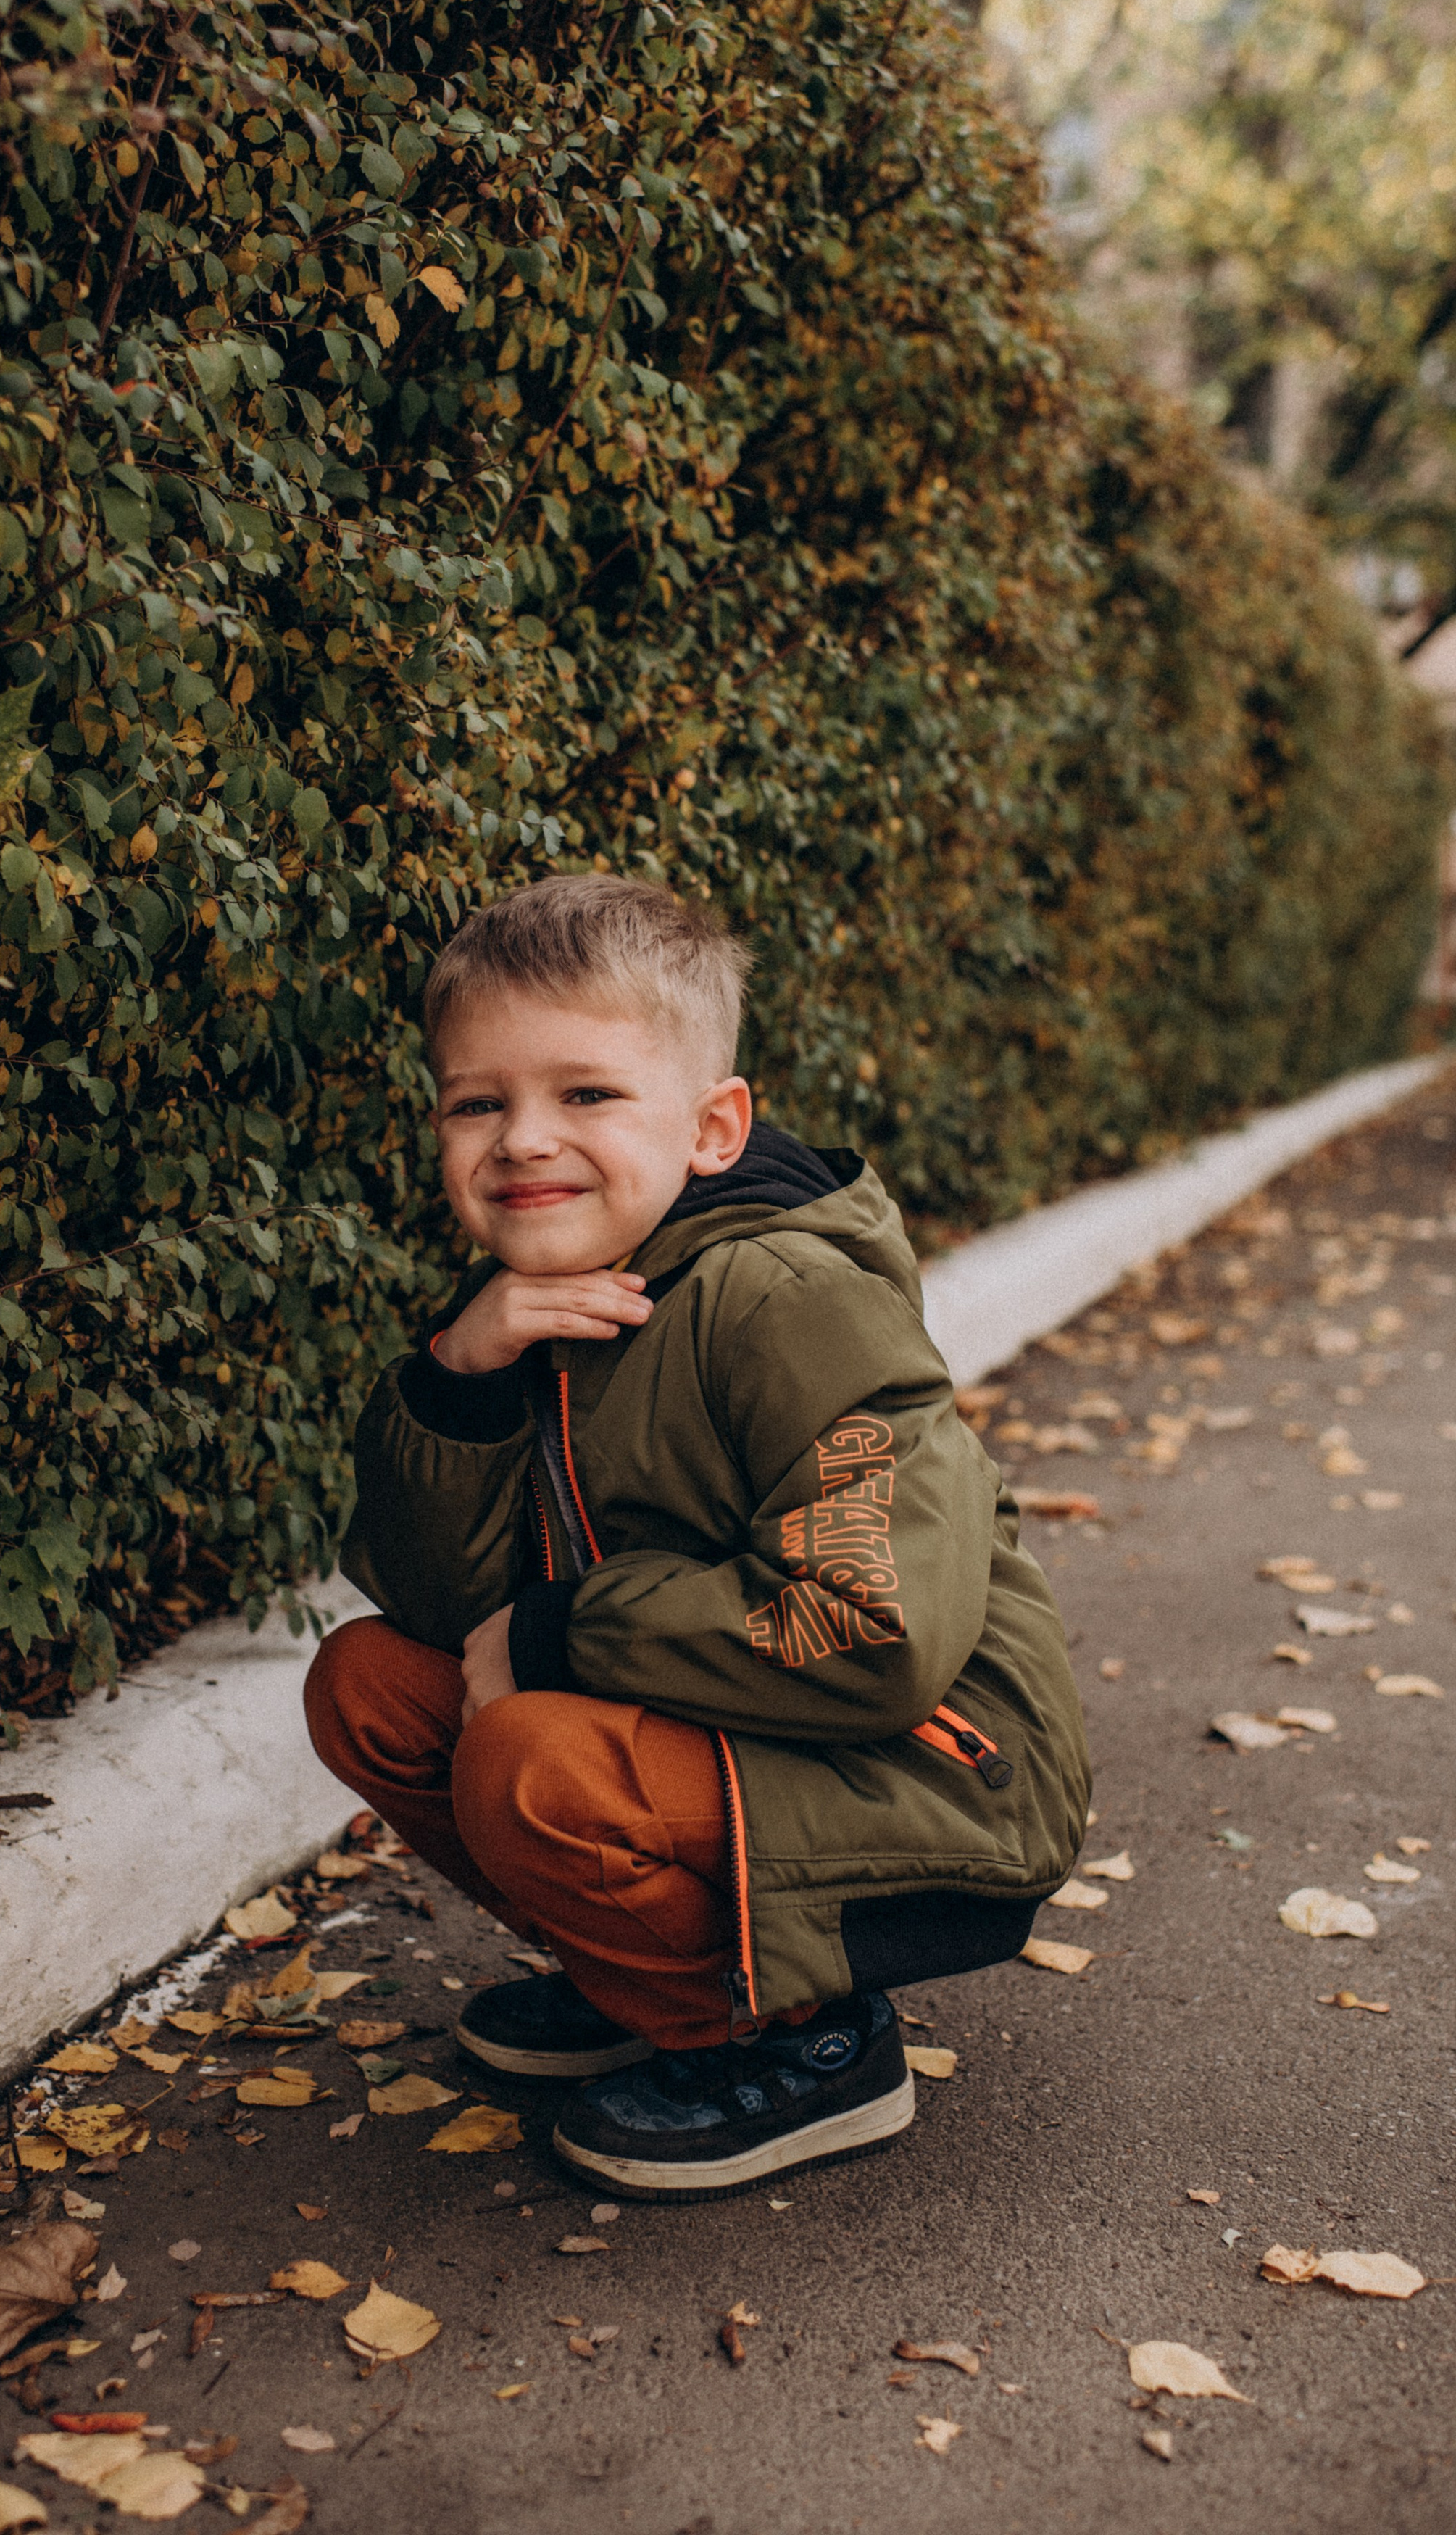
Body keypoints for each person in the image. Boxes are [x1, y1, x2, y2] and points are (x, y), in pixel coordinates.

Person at [305, 875, 1091, 2199]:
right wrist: (459, 1377)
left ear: (714, 1126)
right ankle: (651, 1985)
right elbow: (440, 1612)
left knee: (529, 1757)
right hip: (745, 1732)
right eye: (477, 1102)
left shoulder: (785, 1298)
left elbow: (864, 1621)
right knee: (371, 1687)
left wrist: (565, 1634)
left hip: (940, 1770)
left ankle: (814, 2043)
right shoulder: (537, 1305)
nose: (522, 1140)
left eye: (587, 1095)